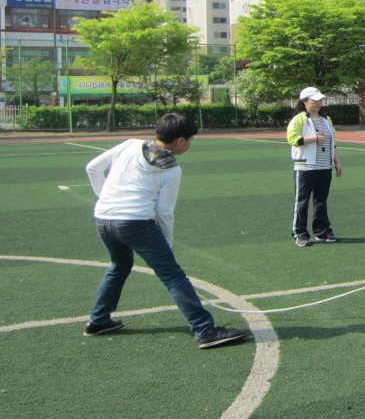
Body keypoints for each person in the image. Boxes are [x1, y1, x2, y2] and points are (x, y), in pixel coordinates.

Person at [83, 113, 245, 349]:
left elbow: (92, 167)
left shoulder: (129, 145)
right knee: (172, 275)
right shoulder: (171, 171)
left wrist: (104, 198)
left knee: (119, 266)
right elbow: (164, 212)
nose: (190, 144)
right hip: (135, 223)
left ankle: (98, 320)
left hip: (104, 220)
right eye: (190, 140)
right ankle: (205, 330)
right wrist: (166, 242)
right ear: (180, 140)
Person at [287, 86, 343, 246]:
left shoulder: (326, 120)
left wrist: (337, 162)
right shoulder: (299, 119)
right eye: (315, 100)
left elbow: (333, 142)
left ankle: (323, 231)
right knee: (302, 201)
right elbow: (292, 139)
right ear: (305, 102)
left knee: (321, 201)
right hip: (305, 167)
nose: (319, 103)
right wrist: (314, 139)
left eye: (320, 100)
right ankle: (300, 234)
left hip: (325, 166)